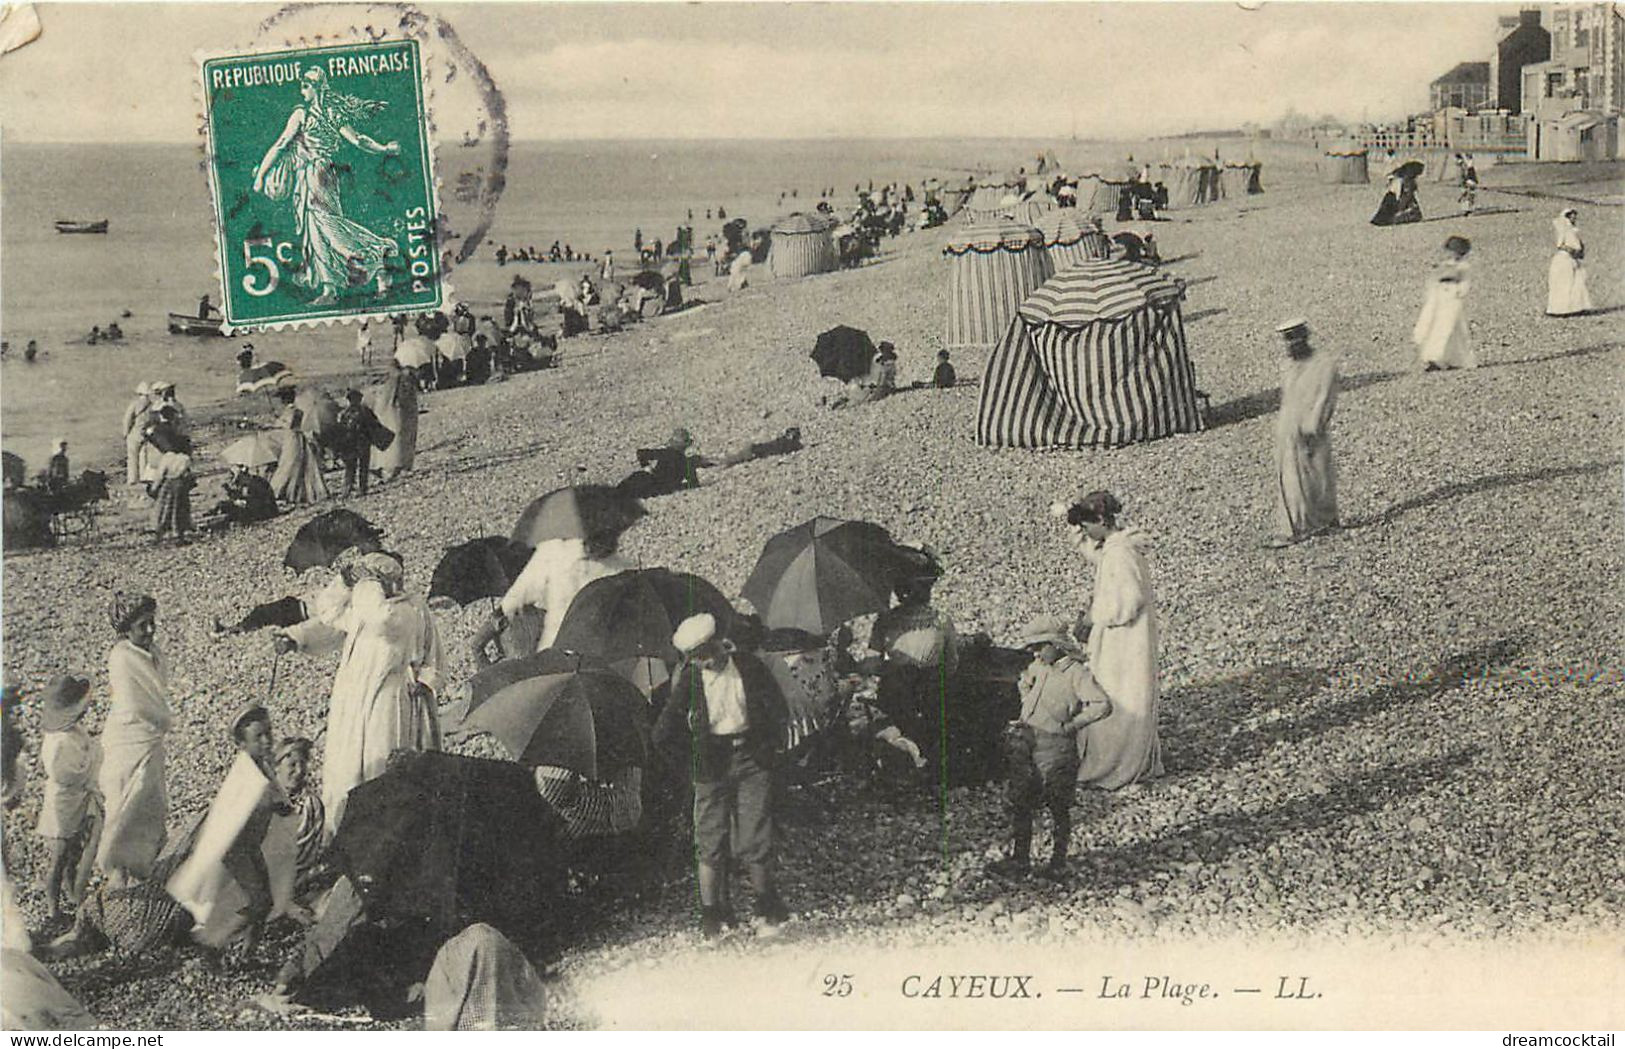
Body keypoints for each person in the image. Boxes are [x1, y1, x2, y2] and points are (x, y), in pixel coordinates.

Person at [277, 551, 444, 836]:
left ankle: (383, 837)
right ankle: (344, 832)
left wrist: (425, 682)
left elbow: (432, 656)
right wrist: (296, 637)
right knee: (347, 766)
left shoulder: (404, 611)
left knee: (380, 763)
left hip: (389, 700)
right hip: (352, 699)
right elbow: (330, 623)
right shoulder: (367, 609)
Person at [654, 614, 790, 938]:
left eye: (707, 654)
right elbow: (663, 733)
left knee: (755, 834)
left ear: (718, 644)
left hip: (751, 758)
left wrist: (770, 750)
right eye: (696, 658)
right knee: (710, 840)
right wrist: (689, 765)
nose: (705, 662)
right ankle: (712, 914)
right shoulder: (690, 680)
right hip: (710, 765)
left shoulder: (749, 667)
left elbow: (778, 710)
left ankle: (766, 905)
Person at [251, 67, 401, 304]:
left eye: (305, 85)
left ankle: (375, 256)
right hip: (325, 174)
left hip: (314, 174)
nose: (302, 90)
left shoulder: (302, 115)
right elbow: (359, 140)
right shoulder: (332, 114)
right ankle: (331, 287)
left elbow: (280, 145)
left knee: (326, 226)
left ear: (316, 87)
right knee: (319, 228)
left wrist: (261, 176)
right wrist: (384, 148)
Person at [990, 616, 1112, 880]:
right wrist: (1025, 690)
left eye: (1039, 646)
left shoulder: (1077, 673)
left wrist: (1072, 725)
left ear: (1056, 644)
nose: (1034, 652)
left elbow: (1101, 704)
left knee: (1058, 803)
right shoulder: (1038, 666)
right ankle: (1020, 858)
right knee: (1021, 799)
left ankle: (1058, 861)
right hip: (1028, 739)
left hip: (1057, 746)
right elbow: (1026, 682)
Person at [166, 704, 296, 953]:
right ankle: (215, 942)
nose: (267, 740)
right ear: (242, 744)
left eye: (269, 732)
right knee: (258, 900)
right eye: (258, 737)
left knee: (263, 901)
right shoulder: (245, 775)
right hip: (235, 847)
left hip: (249, 845)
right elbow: (233, 814)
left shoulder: (262, 766)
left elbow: (271, 800)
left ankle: (242, 947)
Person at [1056, 490, 1163, 788]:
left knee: (1120, 695)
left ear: (1102, 520)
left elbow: (1130, 601)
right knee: (1116, 693)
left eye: (1088, 525)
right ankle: (1117, 761)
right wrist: (1073, 529)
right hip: (1123, 639)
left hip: (1126, 642)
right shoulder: (1117, 547)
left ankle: (1116, 766)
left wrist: (1093, 616)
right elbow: (1095, 555)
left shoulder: (1121, 553)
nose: (1087, 533)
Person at [97, 593, 174, 887]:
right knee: (127, 804)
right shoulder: (121, 657)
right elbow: (135, 703)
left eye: (152, 623)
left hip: (150, 738)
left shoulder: (153, 652)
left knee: (151, 803)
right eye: (143, 626)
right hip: (128, 739)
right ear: (126, 630)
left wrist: (162, 720)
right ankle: (118, 872)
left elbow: (157, 693)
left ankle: (145, 867)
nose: (151, 630)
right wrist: (166, 719)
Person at [868, 549, 959, 757]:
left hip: (895, 694)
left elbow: (873, 663)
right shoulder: (941, 621)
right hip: (931, 694)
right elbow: (952, 664)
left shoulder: (885, 621)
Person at [1266, 319, 1340, 547]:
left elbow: (1325, 397)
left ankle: (1322, 521)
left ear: (1305, 337)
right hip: (1288, 428)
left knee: (1317, 475)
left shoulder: (1324, 365)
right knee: (1292, 479)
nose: (1292, 345)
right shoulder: (1287, 366)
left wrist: (1313, 425)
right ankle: (1295, 526)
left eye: (1296, 339)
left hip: (1311, 428)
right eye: (1288, 341)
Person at [35, 675, 103, 919]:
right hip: (62, 803)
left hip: (77, 799)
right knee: (59, 856)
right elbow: (66, 774)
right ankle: (53, 907)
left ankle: (73, 893)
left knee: (73, 850)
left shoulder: (73, 731)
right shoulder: (56, 742)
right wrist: (93, 757)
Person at [497, 533, 633, 652]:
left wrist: (502, 611)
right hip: (603, 648)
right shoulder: (621, 570)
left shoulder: (555, 553)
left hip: (558, 645)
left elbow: (522, 590)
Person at [1413, 236, 1476, 371]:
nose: (1450, 254)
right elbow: (1434, 280)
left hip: (1452, 298)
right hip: (1440, 297)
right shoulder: (1445, 265)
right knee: (1435, 326)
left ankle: (1446, 358)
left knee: (1449, 328)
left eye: (1453, 251)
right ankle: (1434, 357)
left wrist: (1458, 291)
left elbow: (1465, 283)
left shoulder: (1463, 267)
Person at [273, 738, 325, 891]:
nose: (299, 771)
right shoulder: (263, 801)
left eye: (302, 764)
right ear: (277, 767)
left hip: (300, 880)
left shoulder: (312, 805)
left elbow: (313, 850)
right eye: (292, 765)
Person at [370, 358, 419, 481]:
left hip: (389, 414)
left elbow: (382, 402)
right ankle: (397, 468)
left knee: (391, 443)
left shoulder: (391, 381)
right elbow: (408, 400)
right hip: (401, 414)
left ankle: (385, 468)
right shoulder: (403, 380)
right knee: (400, 443)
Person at [270, 406, 329, 506]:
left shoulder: (292, 411)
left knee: (290, 464)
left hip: (293, 439)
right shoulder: (296, 410)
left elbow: (290, 425)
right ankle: (295, 492)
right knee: (294, 464)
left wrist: (278, 420)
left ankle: (286, 492)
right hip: (294, 438)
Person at [335, 388, 385, 497]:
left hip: (350, 443)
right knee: (363, 466)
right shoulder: (365, 411)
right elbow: (375, 424)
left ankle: (347, 490)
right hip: (364, 442)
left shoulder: (344, 413)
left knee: (350, 467)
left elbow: (340, 429)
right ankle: (362, 489)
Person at [1546, 208, 1592, 318]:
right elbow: (1560, 245)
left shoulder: (1574, 230)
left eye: (1575, 216)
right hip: (1564, 260)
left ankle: (1576, 307)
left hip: (1573, 260)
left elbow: (1580, 245)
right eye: (1571, 216)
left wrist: (1579, 253)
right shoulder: (1564, 229)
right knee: (1565, 284)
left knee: (1577, 282)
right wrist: (1572, 251)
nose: (1574, 218)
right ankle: (1560, 309)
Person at [149, 437, 195, 544]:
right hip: (180, 486)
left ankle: (159, 535)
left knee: (163, 509)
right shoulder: (185, 459)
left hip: (168, 484)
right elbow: (188, 474)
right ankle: (179, 535)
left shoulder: (167, 457)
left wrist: (154, 488)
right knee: (180, 510)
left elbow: (160, 475)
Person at [211, 463, 279, 528]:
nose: (236, 482)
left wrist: (243, 502)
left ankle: (214, 521)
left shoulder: (254, 483)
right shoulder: (249, 482)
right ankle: (214, 514)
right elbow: (241, 495)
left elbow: (258, 501)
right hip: (260, 508)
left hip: (265, 511)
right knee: (225, 505)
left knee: (231, 511)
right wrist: (229, 490)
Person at [122, 383, 153, 486]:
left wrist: (125, 433)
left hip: (134, 433)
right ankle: (143, 476)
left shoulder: (135, 404)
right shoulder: (151, 405)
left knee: (132, 456)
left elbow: (128, 419)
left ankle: (132, 479)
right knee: (143, 456)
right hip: (146, 433)